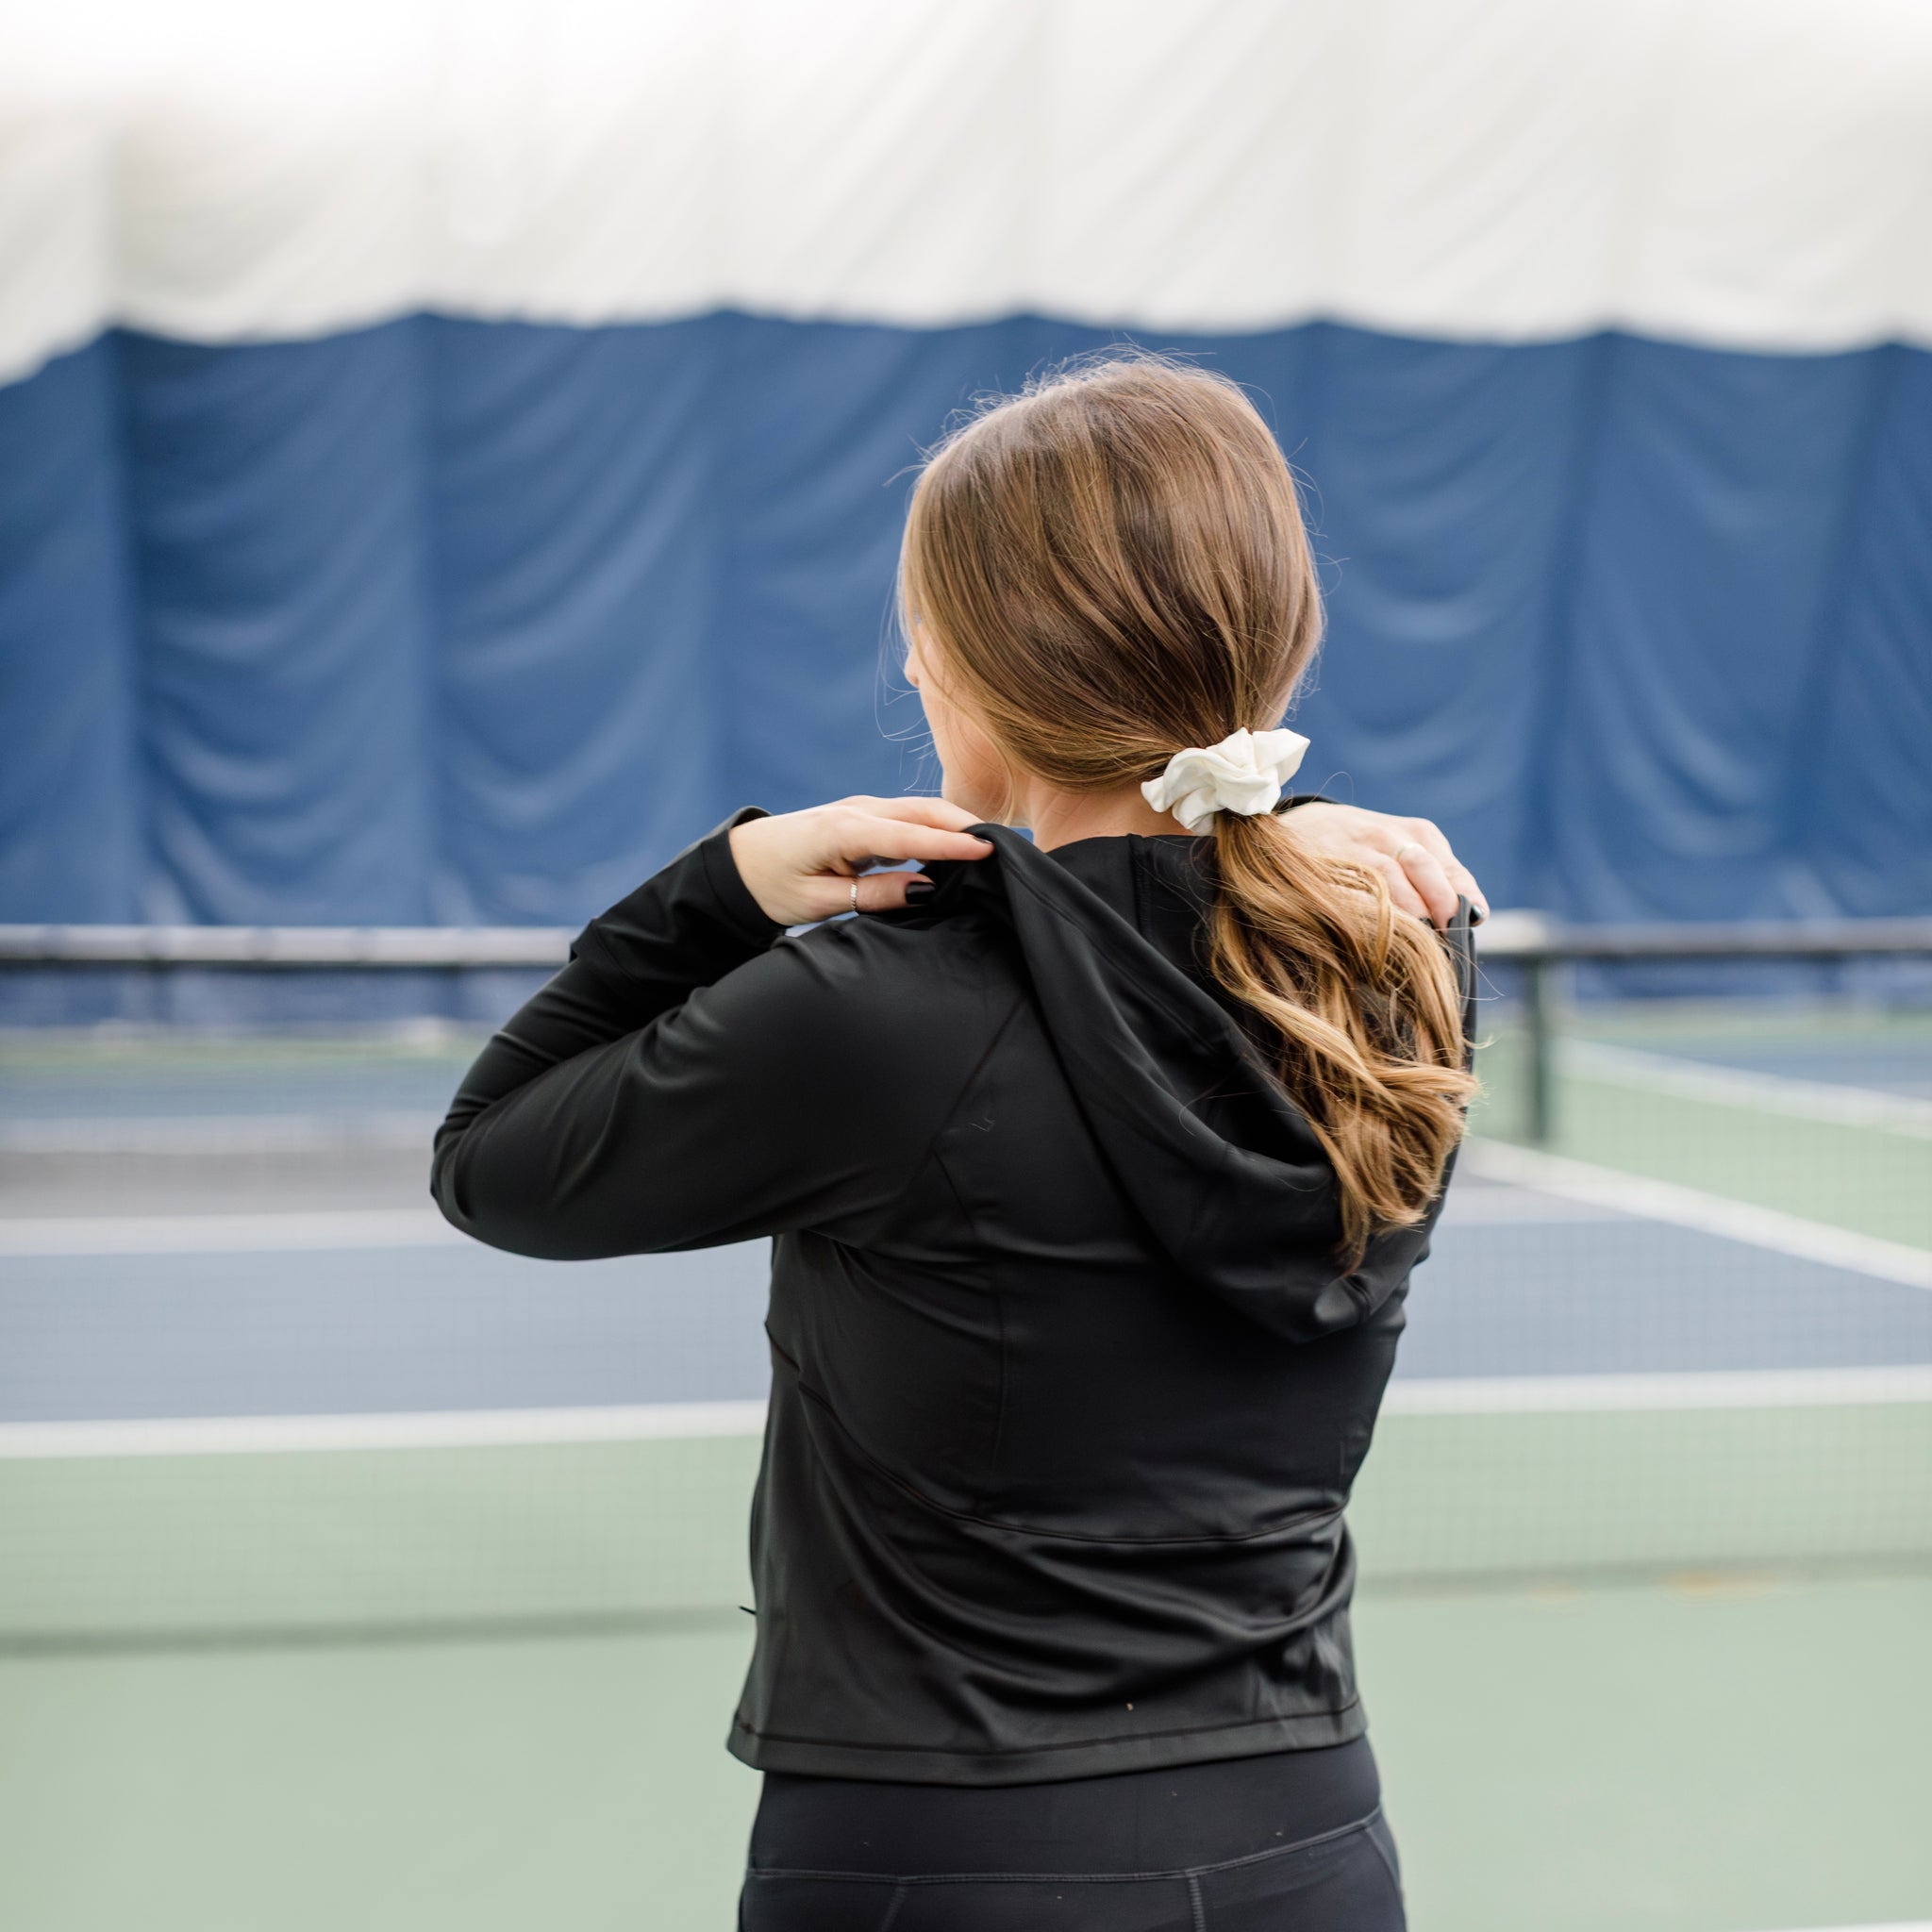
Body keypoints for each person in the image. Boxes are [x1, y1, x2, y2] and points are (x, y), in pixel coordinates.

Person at [434, 354, 1485, 1930]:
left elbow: (493, 1155)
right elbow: (1192, 893)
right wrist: (1289, 825)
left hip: (938, 1865)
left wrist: (721, 885)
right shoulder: (1403, 966)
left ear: (962, 671)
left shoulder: (868, 1015)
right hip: (1307, 1853)